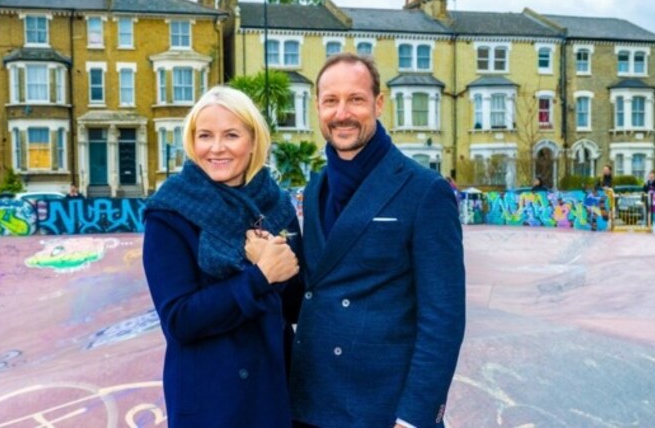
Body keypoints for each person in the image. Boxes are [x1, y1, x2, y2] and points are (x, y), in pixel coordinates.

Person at [290, 53, 465, 427]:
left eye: (355, 99)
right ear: (317, 108)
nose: (342, 113)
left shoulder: (425, 190)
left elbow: (443, 317)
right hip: (311, 401)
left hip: (380, 409)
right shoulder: (317, 185)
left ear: (379, 103)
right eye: (330, 101)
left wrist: (415, 416)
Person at [142, 86, 302, 427]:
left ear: (253, 141)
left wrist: (283, 275)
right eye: (205, 136)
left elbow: (295, 306)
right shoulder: (170, 213)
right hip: (212, 401)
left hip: (274, 390)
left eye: (231, 135)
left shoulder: (276, 207)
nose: (216, 148)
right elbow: (179, 321)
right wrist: (258, 277)